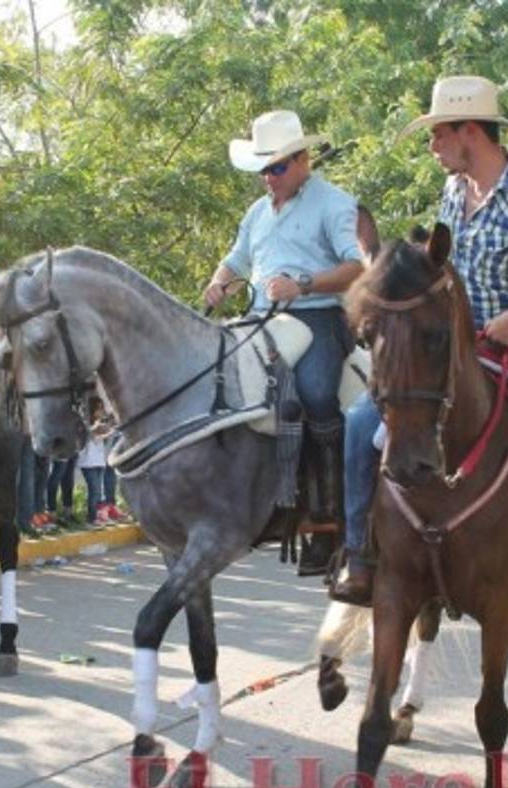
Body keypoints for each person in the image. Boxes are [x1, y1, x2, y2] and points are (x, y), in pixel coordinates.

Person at [333, 75, 508, 611]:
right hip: (443, 347)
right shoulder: (452, 193)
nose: (432, 146)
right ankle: (358, 553)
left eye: (438, 134)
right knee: (361, 423)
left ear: (469, 132)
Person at [203, 109, 365, 575]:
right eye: (262, 169)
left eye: (275, 168)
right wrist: (220, 282)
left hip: (317, 319)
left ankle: (327, 518)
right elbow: (234, 260)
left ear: (302, 160)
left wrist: (304, 285)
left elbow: (356, 268)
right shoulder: (256, 213)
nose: (267, 178)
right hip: (261, 320)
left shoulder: (334, 203)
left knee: (316, 395)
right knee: (217, 384)